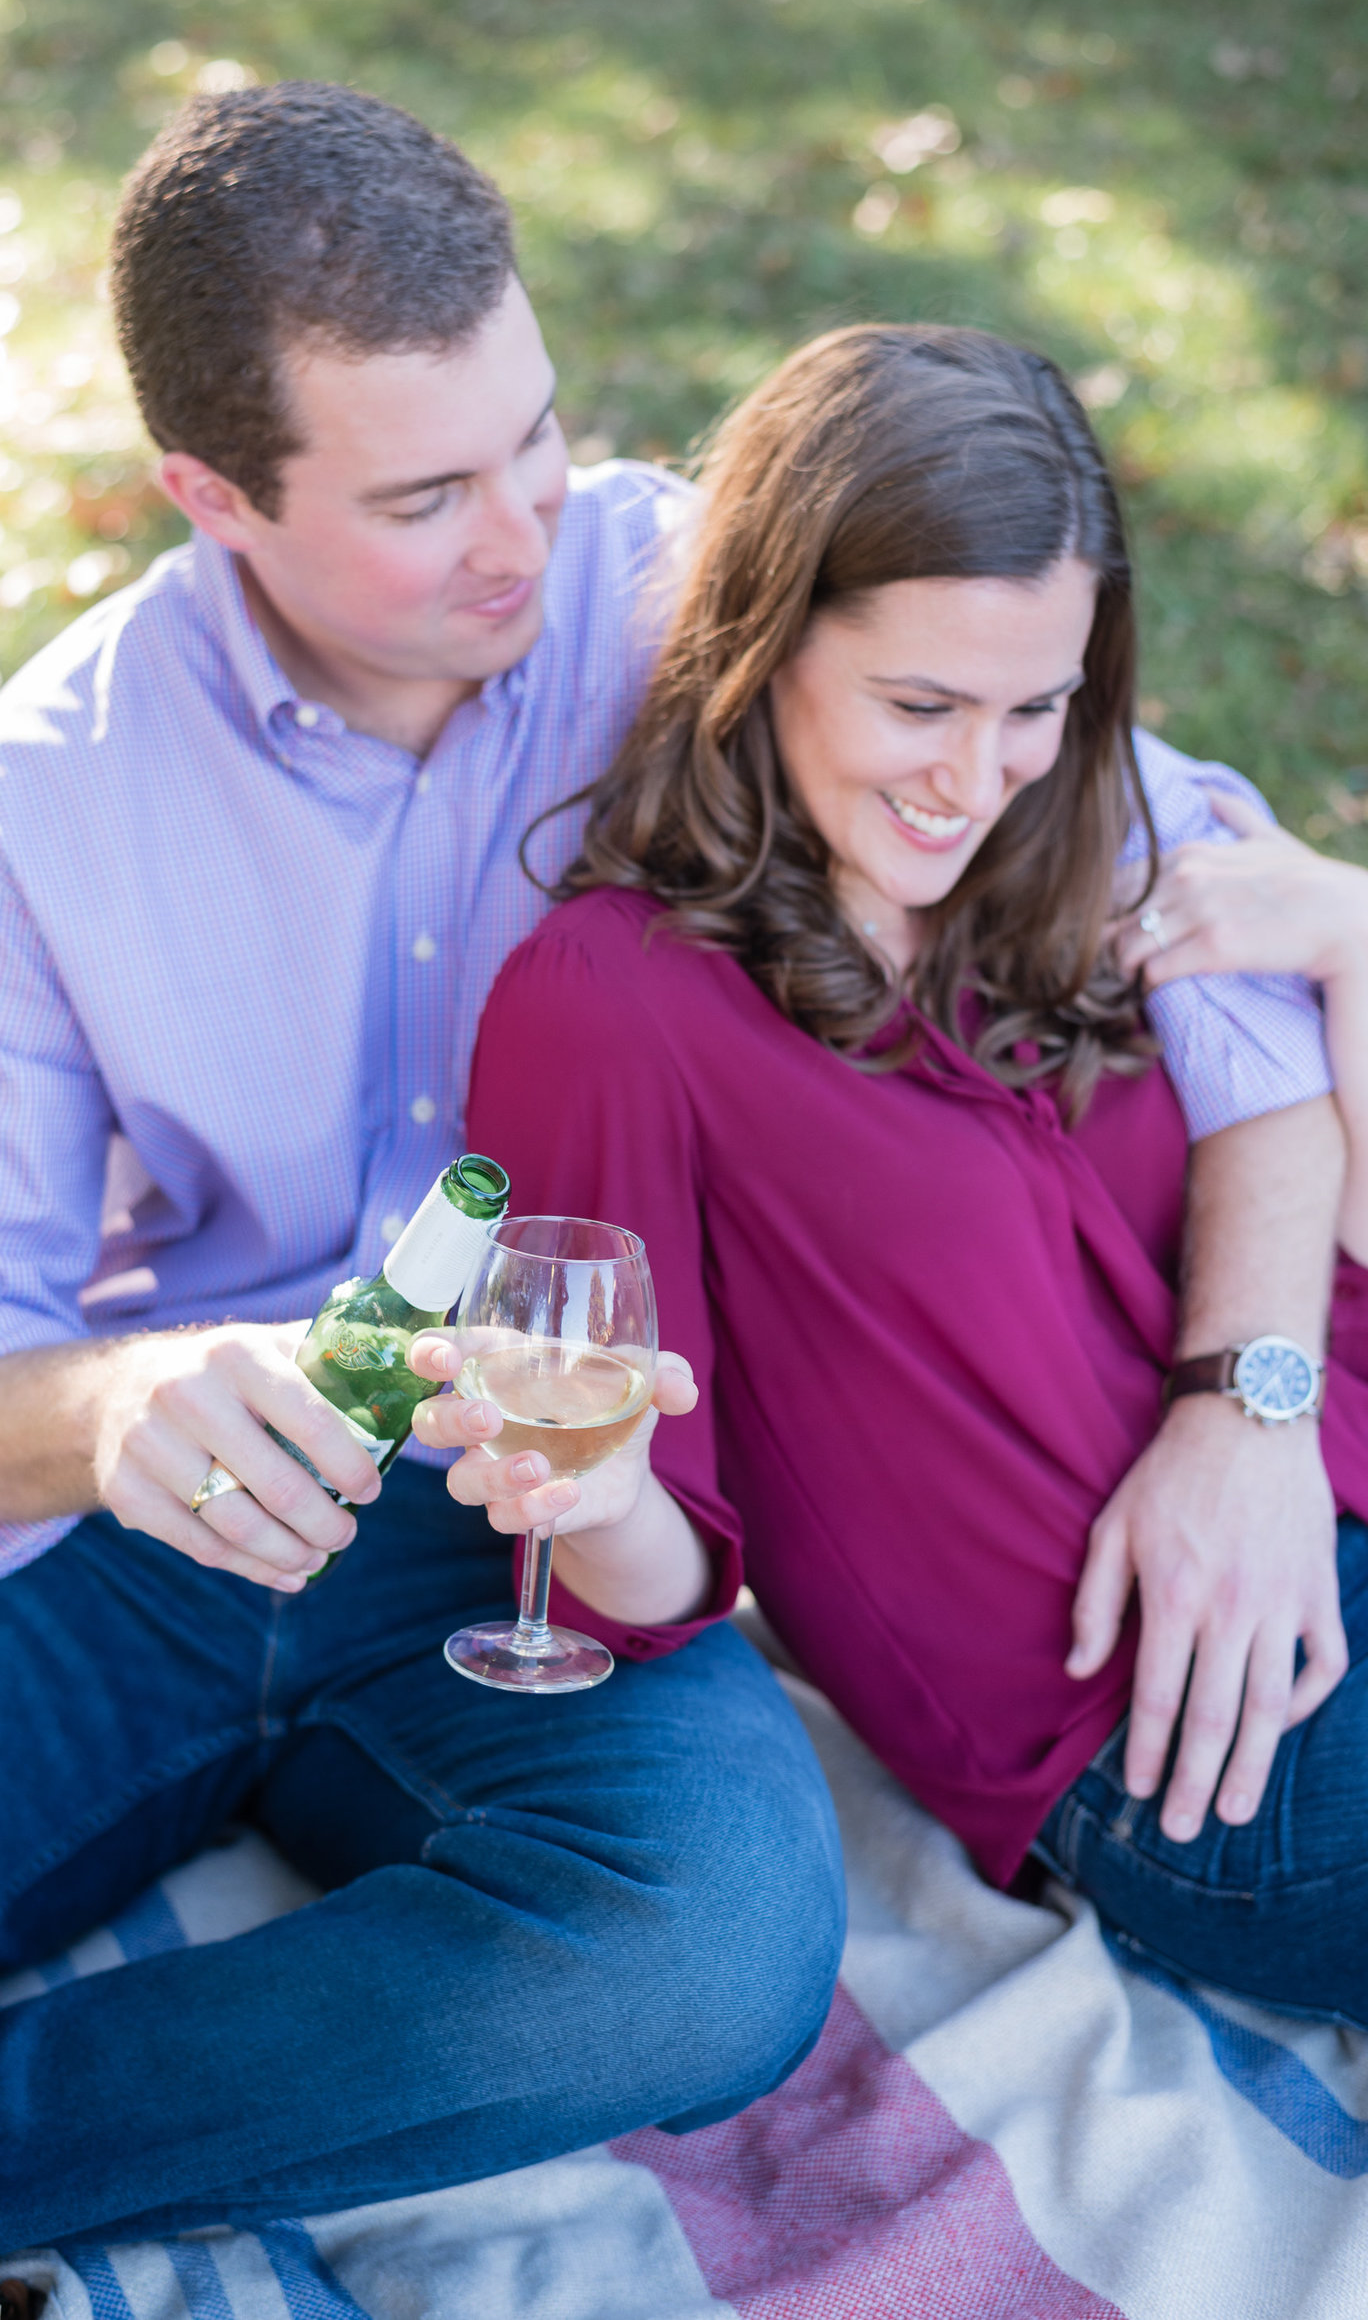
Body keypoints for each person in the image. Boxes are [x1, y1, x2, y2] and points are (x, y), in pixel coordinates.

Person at [0, 86, 1342, 2282]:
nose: (525, 529)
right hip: (146, 1509)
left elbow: (1203, 916)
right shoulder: (30, 818)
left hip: (552, 1510)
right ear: (210, 495)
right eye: (425, 496)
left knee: (696, 1958)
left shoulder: (704, 595)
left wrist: (1240, 1396)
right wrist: (120, 1411)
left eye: (535, 435)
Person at [453, 322, 1368, 2022]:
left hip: (1320, 1483)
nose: (975, 775)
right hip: (1193, 1723)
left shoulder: (1079, 814)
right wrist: (586, 1498)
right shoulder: (615, 999)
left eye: (1038, 703)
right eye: (919, 704)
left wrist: (1240, 1415)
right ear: (768, 637)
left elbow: (1283, 1100)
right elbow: (670, 1572)